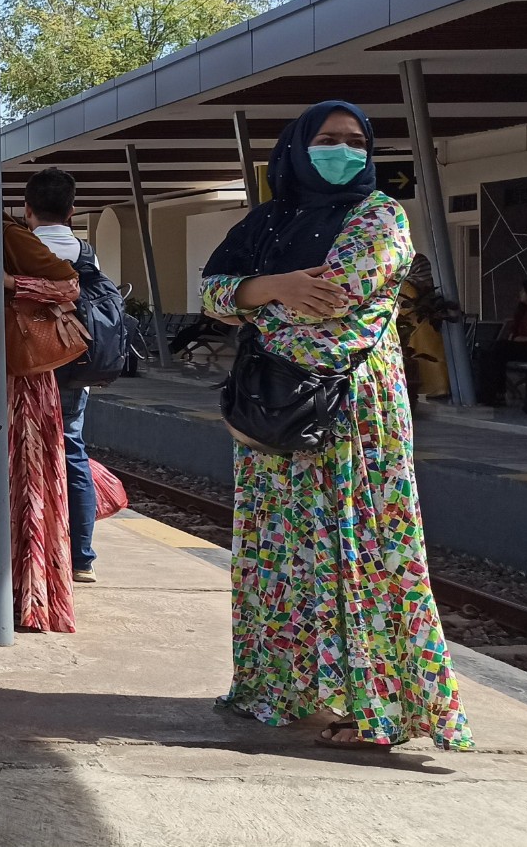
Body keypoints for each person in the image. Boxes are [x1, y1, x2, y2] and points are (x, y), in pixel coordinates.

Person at [200, 100, 471, 751]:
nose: (344, 149)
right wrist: (275, 287)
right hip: (272, 415)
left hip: (350, 414)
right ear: (298, 145)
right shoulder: (271, 218)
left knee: (360, 549)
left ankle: (379, 702)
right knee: (282, 557)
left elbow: (338, 304)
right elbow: (210, 289)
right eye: (328, 138)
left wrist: (255, 297)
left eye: (356, 140)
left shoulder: (379, 217)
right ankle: (290, 685)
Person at [2, 206, 79, 632]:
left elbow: (69, 285)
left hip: (22, 380)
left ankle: (31, 598)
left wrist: (12, 284)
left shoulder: (8, 234)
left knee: (28, 481)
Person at [22, 167, 99, 584]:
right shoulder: (86, 253)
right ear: (71, 211)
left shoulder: (22, 250)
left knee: (30, 459)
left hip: (32, 366)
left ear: (27, 209)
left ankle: (38, 548)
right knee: (73, 453)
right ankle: (82, 556)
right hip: (75, 366)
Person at [476, 277, 527, 405]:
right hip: (523, 346)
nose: (520, 294)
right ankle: (492, 394)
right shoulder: (522, 312)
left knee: (499, 348)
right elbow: (513, 335)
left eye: (523, 291)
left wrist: (524, 339)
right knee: (489, 354)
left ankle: (493, 394)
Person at [396, 253, 453, 399]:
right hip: (426, 325)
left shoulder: (407, 285)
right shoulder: (425, 285)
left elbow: (404, 307)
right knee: (434, 355)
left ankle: (435, 388)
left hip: (415, 328)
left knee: (425, 359)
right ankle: (441, 388)